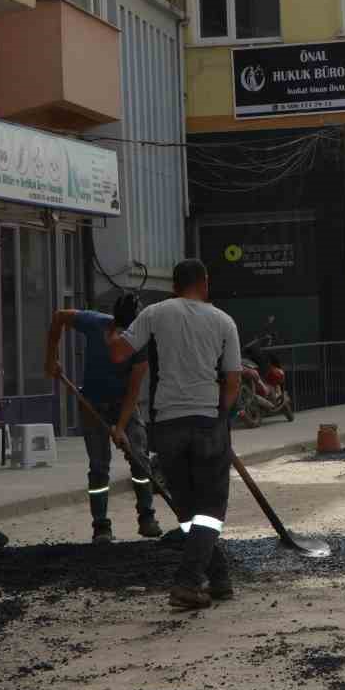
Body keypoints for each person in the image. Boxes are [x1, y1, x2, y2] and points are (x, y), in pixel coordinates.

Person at [110, 259, 241, 611]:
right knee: (211, 510)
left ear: (174, 285)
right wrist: (222, 419)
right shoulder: (223, 321)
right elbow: (232, 381)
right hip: (206, 421)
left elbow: (119, 351)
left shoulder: (156, 313)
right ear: (205, 282)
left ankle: (220, 578)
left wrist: (118, 324)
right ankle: (187, 582)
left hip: (166, 425)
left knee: (187, 509)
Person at [46, 294, 161, 544]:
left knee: (139, 457)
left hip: (124, 405)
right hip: (92, 404)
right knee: (98, 466)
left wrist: (120, 427)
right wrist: (51, 356)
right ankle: (101, 527)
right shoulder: (95, 323)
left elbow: (133, 392)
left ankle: (147, 517)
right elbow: (59, 317)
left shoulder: (140, 344)